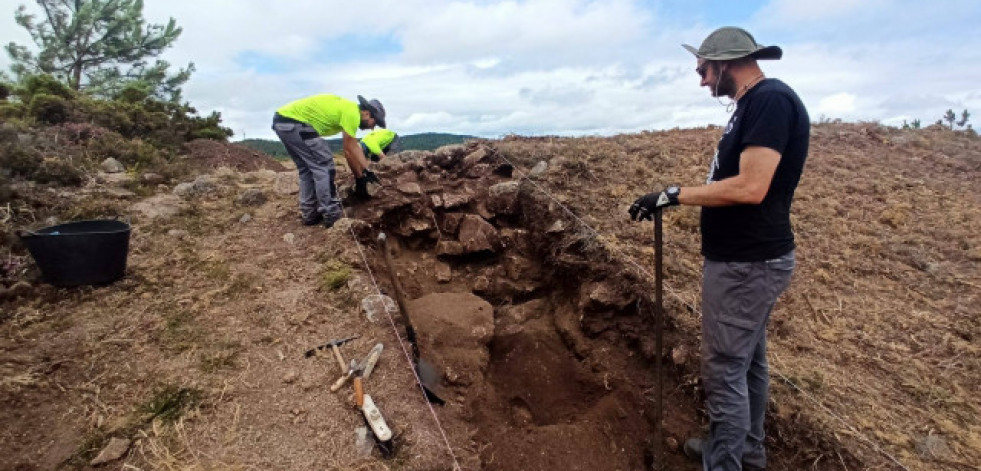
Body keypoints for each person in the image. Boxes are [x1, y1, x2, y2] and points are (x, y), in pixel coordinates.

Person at [628, 26, 810, 471]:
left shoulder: (769, 101)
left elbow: (751, 187)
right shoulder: (751, 104)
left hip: (746, 264)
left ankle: (725, 463)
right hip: (745, 261)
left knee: (725, 367)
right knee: (747, 364)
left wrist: (672, 195)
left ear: (725, 62)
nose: (702, 80)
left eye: (704, 70)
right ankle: (743, 452)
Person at [272, 94, 386, 227]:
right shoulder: (352, 113)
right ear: (367, 113)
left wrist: (366, 170)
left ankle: (309, 215)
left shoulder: (347, 108)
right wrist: (360, 177)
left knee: (307, 170)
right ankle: (331, 214)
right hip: (295, 123)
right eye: (375, 122)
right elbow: (348, 150)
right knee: (324, 166)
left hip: (282, 122)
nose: (373, 128)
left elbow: (354, 147)